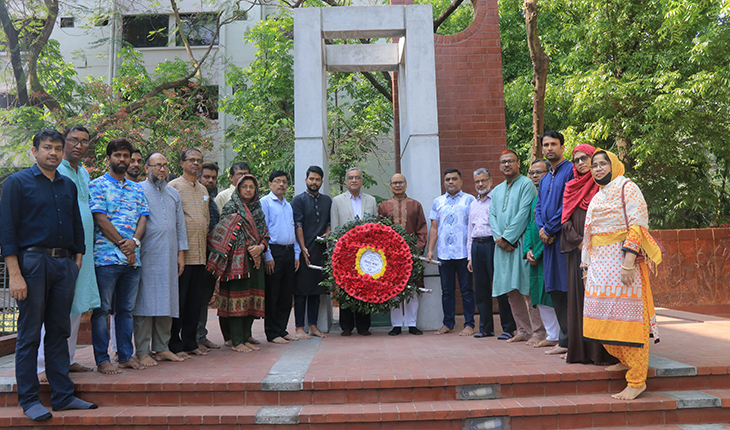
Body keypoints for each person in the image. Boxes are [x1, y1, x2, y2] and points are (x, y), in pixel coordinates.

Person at [0, 129, 98, 421]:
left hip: (64, 265)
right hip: (32, 263)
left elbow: (78, 226)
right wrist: (15, 274)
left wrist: (76, 261)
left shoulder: (68, 185)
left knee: (59, 331)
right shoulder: (16, 183)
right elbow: (6, 231)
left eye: (57, 148)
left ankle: (63, 396)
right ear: (35, 151)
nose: (53, 153)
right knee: (29, 335)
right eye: (47, 147)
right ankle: (29, 399)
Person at [582, 149, 662, 400]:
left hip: (622, 264)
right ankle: (625, 358)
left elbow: (637, 224)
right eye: (594, 165)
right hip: (599, 267)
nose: (597, 168)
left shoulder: (627, 186)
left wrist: (628, 262)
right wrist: (586, 268)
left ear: (614, 165)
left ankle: (637, 380)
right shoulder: (598, 195)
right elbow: (589, 235)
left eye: (603, 163)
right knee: (601, 317)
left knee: (630, 321)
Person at [36, 126, 101, 381]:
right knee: (55, 307)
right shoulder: (55, 171)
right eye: (73, 140)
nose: (79, 146)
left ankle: (69, 358)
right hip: (61, 250)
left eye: (84, 142)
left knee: (77, 304)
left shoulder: (83, 172)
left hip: (82, 251)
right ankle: (42, 366)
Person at [89, 138, 149, 374]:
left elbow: (143, 217)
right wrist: (124, 245)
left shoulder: (137, 187)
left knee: (125, 310)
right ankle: (102, 359)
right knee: (102, 310)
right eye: (118, 155)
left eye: (126, 156)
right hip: (106, 259)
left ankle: (125, 355)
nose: (122, 160)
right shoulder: (97, 185)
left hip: (133, 259)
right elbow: (100, 219)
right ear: (108, 159)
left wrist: (134, 243)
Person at [561, 145, 617, 365]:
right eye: (576, 160)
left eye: (586, 159)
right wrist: (580, 243)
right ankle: (581, 352)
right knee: (579, 300)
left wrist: (593, 245)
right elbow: (564, 220)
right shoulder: (571, 187)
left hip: (603, 254)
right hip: (578, 253)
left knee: (599, 301)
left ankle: (602, 352)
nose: (581, 163)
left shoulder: (604, 186)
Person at [132, 153, 188, 366]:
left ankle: (162, 347)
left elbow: (180, 225)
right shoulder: (137, 190)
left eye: (165, 166)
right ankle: (143, 350)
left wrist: (181, 253)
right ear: (147, 168)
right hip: (146, 254)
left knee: (167, 301)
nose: (162, 170)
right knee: (145, 303)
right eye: (157, 166)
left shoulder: (173, 193)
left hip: (170, 254)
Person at [207, 175, 269, 352]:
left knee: (252, 299)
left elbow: (265, 232)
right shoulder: (231, 207)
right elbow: (224, 230)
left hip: (256, 261)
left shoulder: (258, 208)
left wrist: (261, 247)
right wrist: (249, 246)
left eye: (251, 187)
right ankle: (236, 341)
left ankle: (245, 336)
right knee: (237, 299)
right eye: (245, 187)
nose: (248, 190)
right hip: (236, 262)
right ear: (238, 189)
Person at [490, 151, 545, 344]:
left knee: (527, 289)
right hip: (502, 248)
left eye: (510, 161)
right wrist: (499, 239)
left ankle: (539, 332)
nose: (506, 165)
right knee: (510, 291)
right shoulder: (496, 190)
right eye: (503, 162)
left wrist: (507, 238)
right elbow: (492, 217)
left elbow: (523, 214)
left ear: (518, 163)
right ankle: (523, 330)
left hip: (520, 244)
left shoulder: (526, 184)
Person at [535, 131, 574, 356]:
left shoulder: (570, 170)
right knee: (555, 290)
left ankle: (571, 340)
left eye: (553, 144)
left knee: (568, 289)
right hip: (548, 241)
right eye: (546, 145)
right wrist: (542, 229)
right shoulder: (546, 177)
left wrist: (549, 229)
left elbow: (569, 204)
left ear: (562, 146)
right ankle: (564, 340)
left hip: (564, 240)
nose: (550, 148)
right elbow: (539, 206)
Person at [169, 149, 210, 357]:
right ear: (182, 163)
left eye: (199, 160)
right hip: (181, 256)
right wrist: (178, 253)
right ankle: (174, 344)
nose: (195, 163)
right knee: (180, 301)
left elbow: (206, 219)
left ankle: (190, 342)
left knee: (195, 301)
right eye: (191, 160)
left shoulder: (203, 189)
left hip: (200, 254)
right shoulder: (173, 187)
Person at [426, 169, 476, 336]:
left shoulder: (470, 200)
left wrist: (472, 252)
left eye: (454, 179)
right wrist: (430, 250)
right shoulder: (438, 202)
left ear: (461, 181)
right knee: (447, 291)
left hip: (463, 253)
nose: (451, 182)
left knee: (466, 290)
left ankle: (469, 324)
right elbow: (434, 228)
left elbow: (474, 226)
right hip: (444, 254)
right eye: (447, 179)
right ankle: (448, 323)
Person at [466, 168, 515, 339]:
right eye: (477, 181)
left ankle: (508, 328)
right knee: (481, 289)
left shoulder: (497, 200)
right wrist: (469, 257)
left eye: (483, 181)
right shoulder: (473, 204)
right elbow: (469, 230)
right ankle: (485, 328)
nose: (480, 184)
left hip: (493, 245)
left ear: (491, 181)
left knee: (500, 286)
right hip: (477, 246)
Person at [378, 173, 427, 336]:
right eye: (394, 183)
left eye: (400, 182)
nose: (397, 185)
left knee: (413, 289)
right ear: (390, 185)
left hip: (412, 256)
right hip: (391, 257)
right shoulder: (384, 206)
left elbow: (422, 229)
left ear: (406, 184)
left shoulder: (416, 205)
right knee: (394, 289)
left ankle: (412, 324)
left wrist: (417, 251)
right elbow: (379, 232)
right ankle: (397, 324)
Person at [330, 167, 377, 336]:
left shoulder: (371, 200)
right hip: (345, 252)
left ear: (362, 180)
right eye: (350, 177)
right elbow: (335, 227)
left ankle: (364, 326)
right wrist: (335, 251)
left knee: (365, 286)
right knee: (346, 287)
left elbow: (376, 228)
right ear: (346, 181)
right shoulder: (337, 201)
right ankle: (347, 326)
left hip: (366, 252)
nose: (354, 180)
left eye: (357, 177)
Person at [292, 166, 332, 339]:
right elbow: (298, 225)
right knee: (301, 291)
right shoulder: (298, 200)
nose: (314, 182)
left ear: (321, 182)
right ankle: (299, 328)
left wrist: (328, 232)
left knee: (316, 291)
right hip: (303, 252)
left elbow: (330, 222)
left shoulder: (327, 201)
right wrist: (303, 248)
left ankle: (313, 326)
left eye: (317, 179)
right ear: (306, 180)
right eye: (311, 179)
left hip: (320, 251)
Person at [261, 170, 301, 344]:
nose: (281, 184)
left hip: (289, 251)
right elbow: (263, 230)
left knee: (286, 294)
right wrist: (267, 255)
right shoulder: (265, 202)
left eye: (284, 182)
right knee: (273, 293)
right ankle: (272, 333)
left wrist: (297, 254)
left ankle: (282, 329)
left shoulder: (288, 204)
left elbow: (292, 229)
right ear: (270, 184)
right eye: (277, 181)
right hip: (274, 252)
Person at [523, 159, 559, 348]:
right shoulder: (535, 199)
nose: (535, 176)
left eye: (539, 172)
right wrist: (527, 250)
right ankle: (551, 335)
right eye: (532, 173)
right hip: (534, 256)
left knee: (552, 294)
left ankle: (558, 335)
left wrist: (537, 251)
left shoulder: (555, 195)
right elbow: (530, 227)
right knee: (538, 295)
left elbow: (552, 227)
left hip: (549, 253)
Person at [197, 161, 221, 350]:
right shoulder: (192, 197)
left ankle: (200, 335)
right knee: (192, 298)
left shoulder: (211, 201)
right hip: (193, 257)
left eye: (213, 177)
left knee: (204, 298)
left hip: (210, 259)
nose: (210, 180)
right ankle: (190, 337)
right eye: (206, 177)